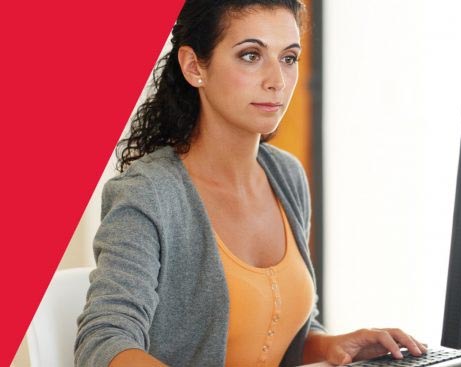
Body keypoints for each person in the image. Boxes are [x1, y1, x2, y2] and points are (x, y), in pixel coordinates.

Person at [74, 1, 427, 366]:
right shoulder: (148, 193)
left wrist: (331, 346)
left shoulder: (286, 176)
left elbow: (277, 335)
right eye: (250, 55)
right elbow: (104, 342)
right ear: (195, 67)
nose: (277, 81)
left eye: (288, 58)